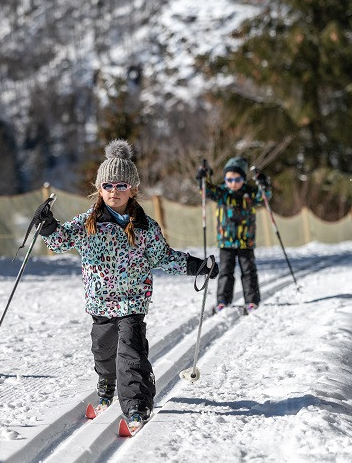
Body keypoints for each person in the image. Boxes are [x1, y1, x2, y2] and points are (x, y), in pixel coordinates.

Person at [31, 139, 217, 426]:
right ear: (99, 189)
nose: (113, 191)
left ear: (133, 189)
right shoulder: (87, 224)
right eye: (107, 186)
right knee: (104, 354)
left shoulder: (145, 228)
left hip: (132, 302)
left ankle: (137, 405)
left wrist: (197, 266)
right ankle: (106, 384)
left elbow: (164, 257)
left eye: (120, 186)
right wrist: (49, 225)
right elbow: (60, 241)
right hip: (100, 303)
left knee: (131, 355)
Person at [195, 157, 272, 314]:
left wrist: (264, 183)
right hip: (226, 241)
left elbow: (264, 196)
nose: (233, 183)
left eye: (237, 179)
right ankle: (223, 300)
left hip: (245, 240)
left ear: (243, 178)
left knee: (248, 271)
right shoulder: (222, 193)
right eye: (229, 179)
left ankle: (252, 300)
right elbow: (206, 189)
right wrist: (202, 176)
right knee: (225, 272)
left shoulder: (249, 194)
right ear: (225, 179)